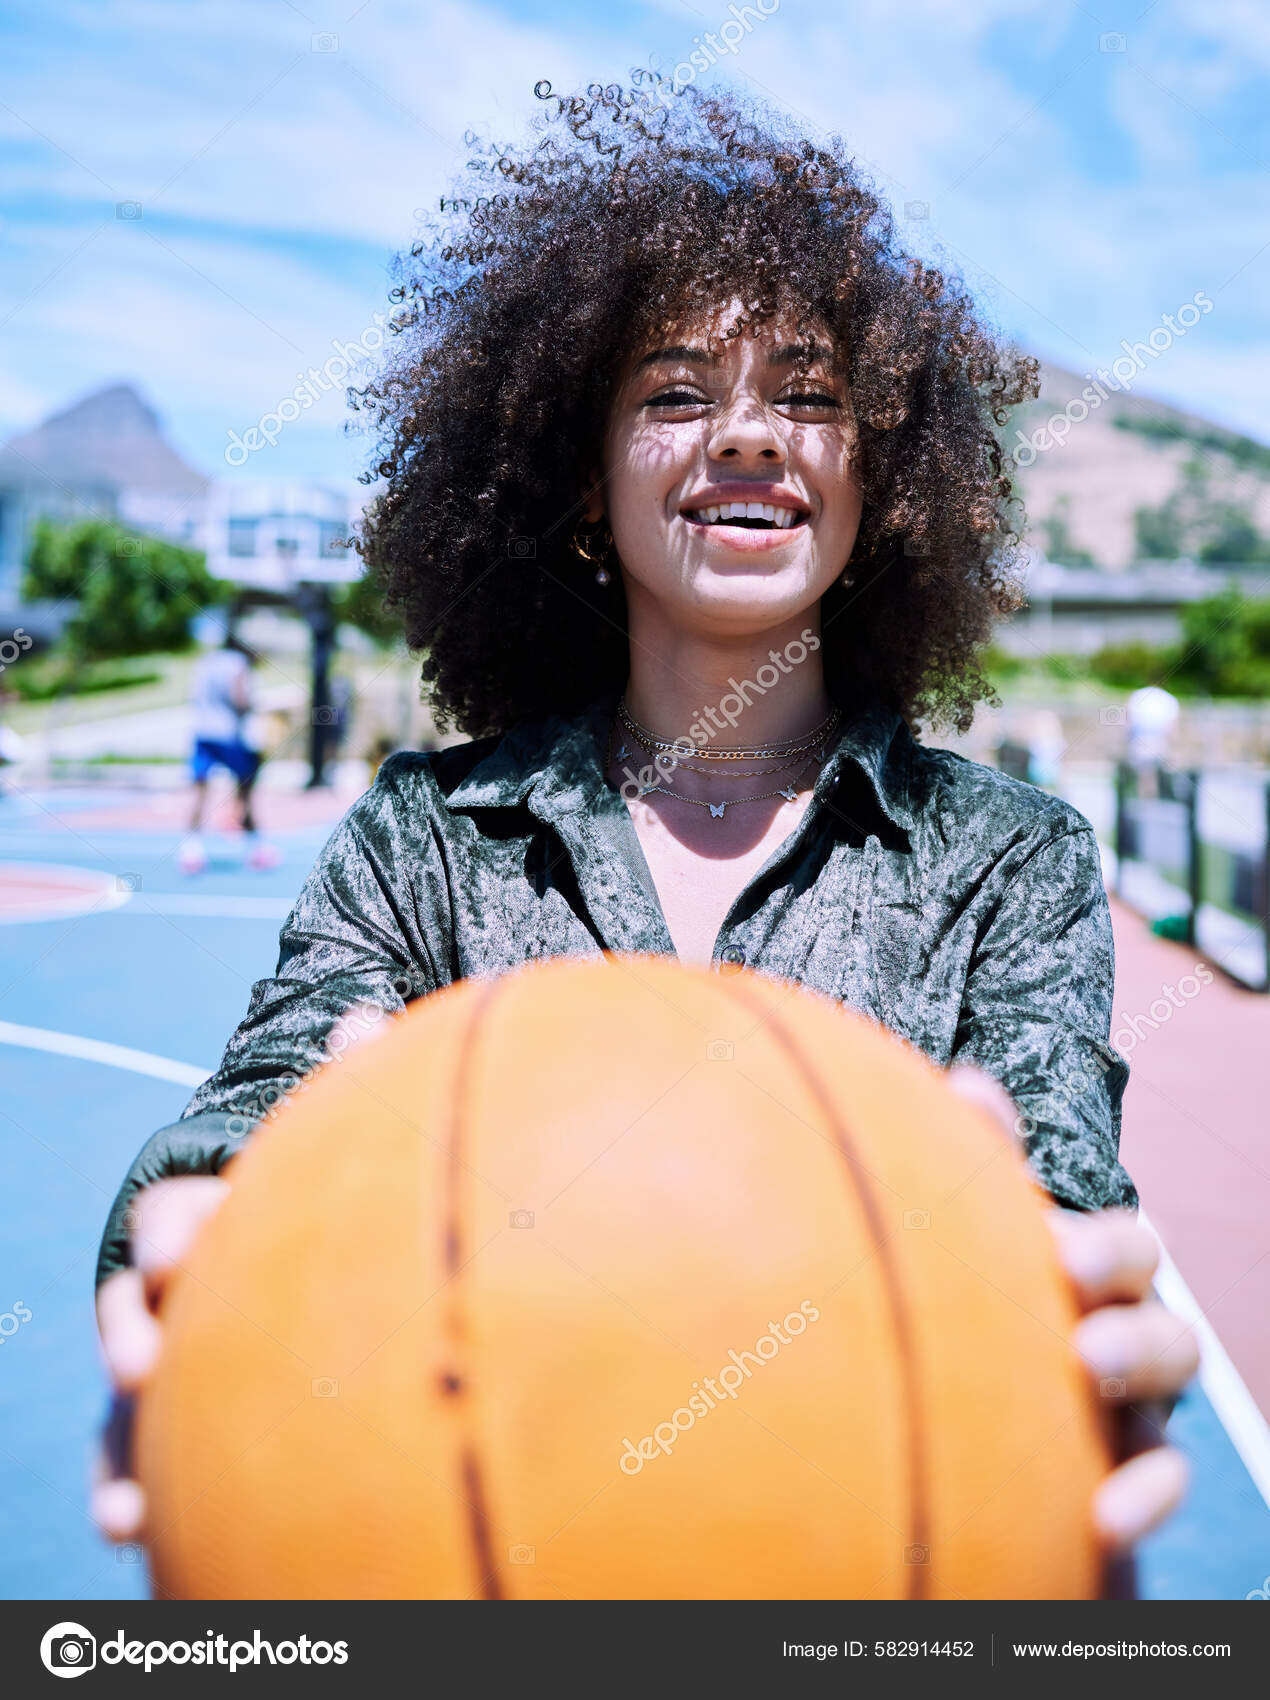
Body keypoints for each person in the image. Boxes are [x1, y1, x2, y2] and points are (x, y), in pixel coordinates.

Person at [94, 79, 1197, 1582]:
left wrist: (1059, 1315)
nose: (748, 436)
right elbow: (255, 1107)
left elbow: (1050, 1174)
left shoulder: (1006, 859)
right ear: (580, 479)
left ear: (881, 484)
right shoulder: (428, 838)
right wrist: (207, 1228)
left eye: (808, 396)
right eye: (676, 393)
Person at [178, 636, 280, 873]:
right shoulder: (237, 663)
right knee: (246, 789)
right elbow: (240, 698)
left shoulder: (206, 661)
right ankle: (257, 848)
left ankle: (191, 851)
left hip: (203, 732)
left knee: (200, 791)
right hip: (229, 734)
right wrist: (255, 708)